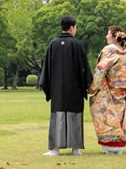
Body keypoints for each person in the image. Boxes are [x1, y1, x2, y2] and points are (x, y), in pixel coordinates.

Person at [39, 15, 93, 156]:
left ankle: (55, 149)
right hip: (74, 87)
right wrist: (88, 82)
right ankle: (75, 149)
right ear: (71, 27)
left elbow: (47, 68)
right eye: (75, 27)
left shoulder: (53, 44)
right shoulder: (78, 44)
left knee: (58, 115)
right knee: (74, 115)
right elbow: (85, 67)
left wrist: (48, 85)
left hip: (57, 88)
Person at [89, 25, 126, 155]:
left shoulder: (109, 51)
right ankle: (119, 146)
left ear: (114, 37)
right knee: (120, 115)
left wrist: (92, 87)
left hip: (110, 89)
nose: (106, 36)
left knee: (108, 115)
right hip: (123, 90)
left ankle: (111, 145)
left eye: (108, 34)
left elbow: (101, 69)